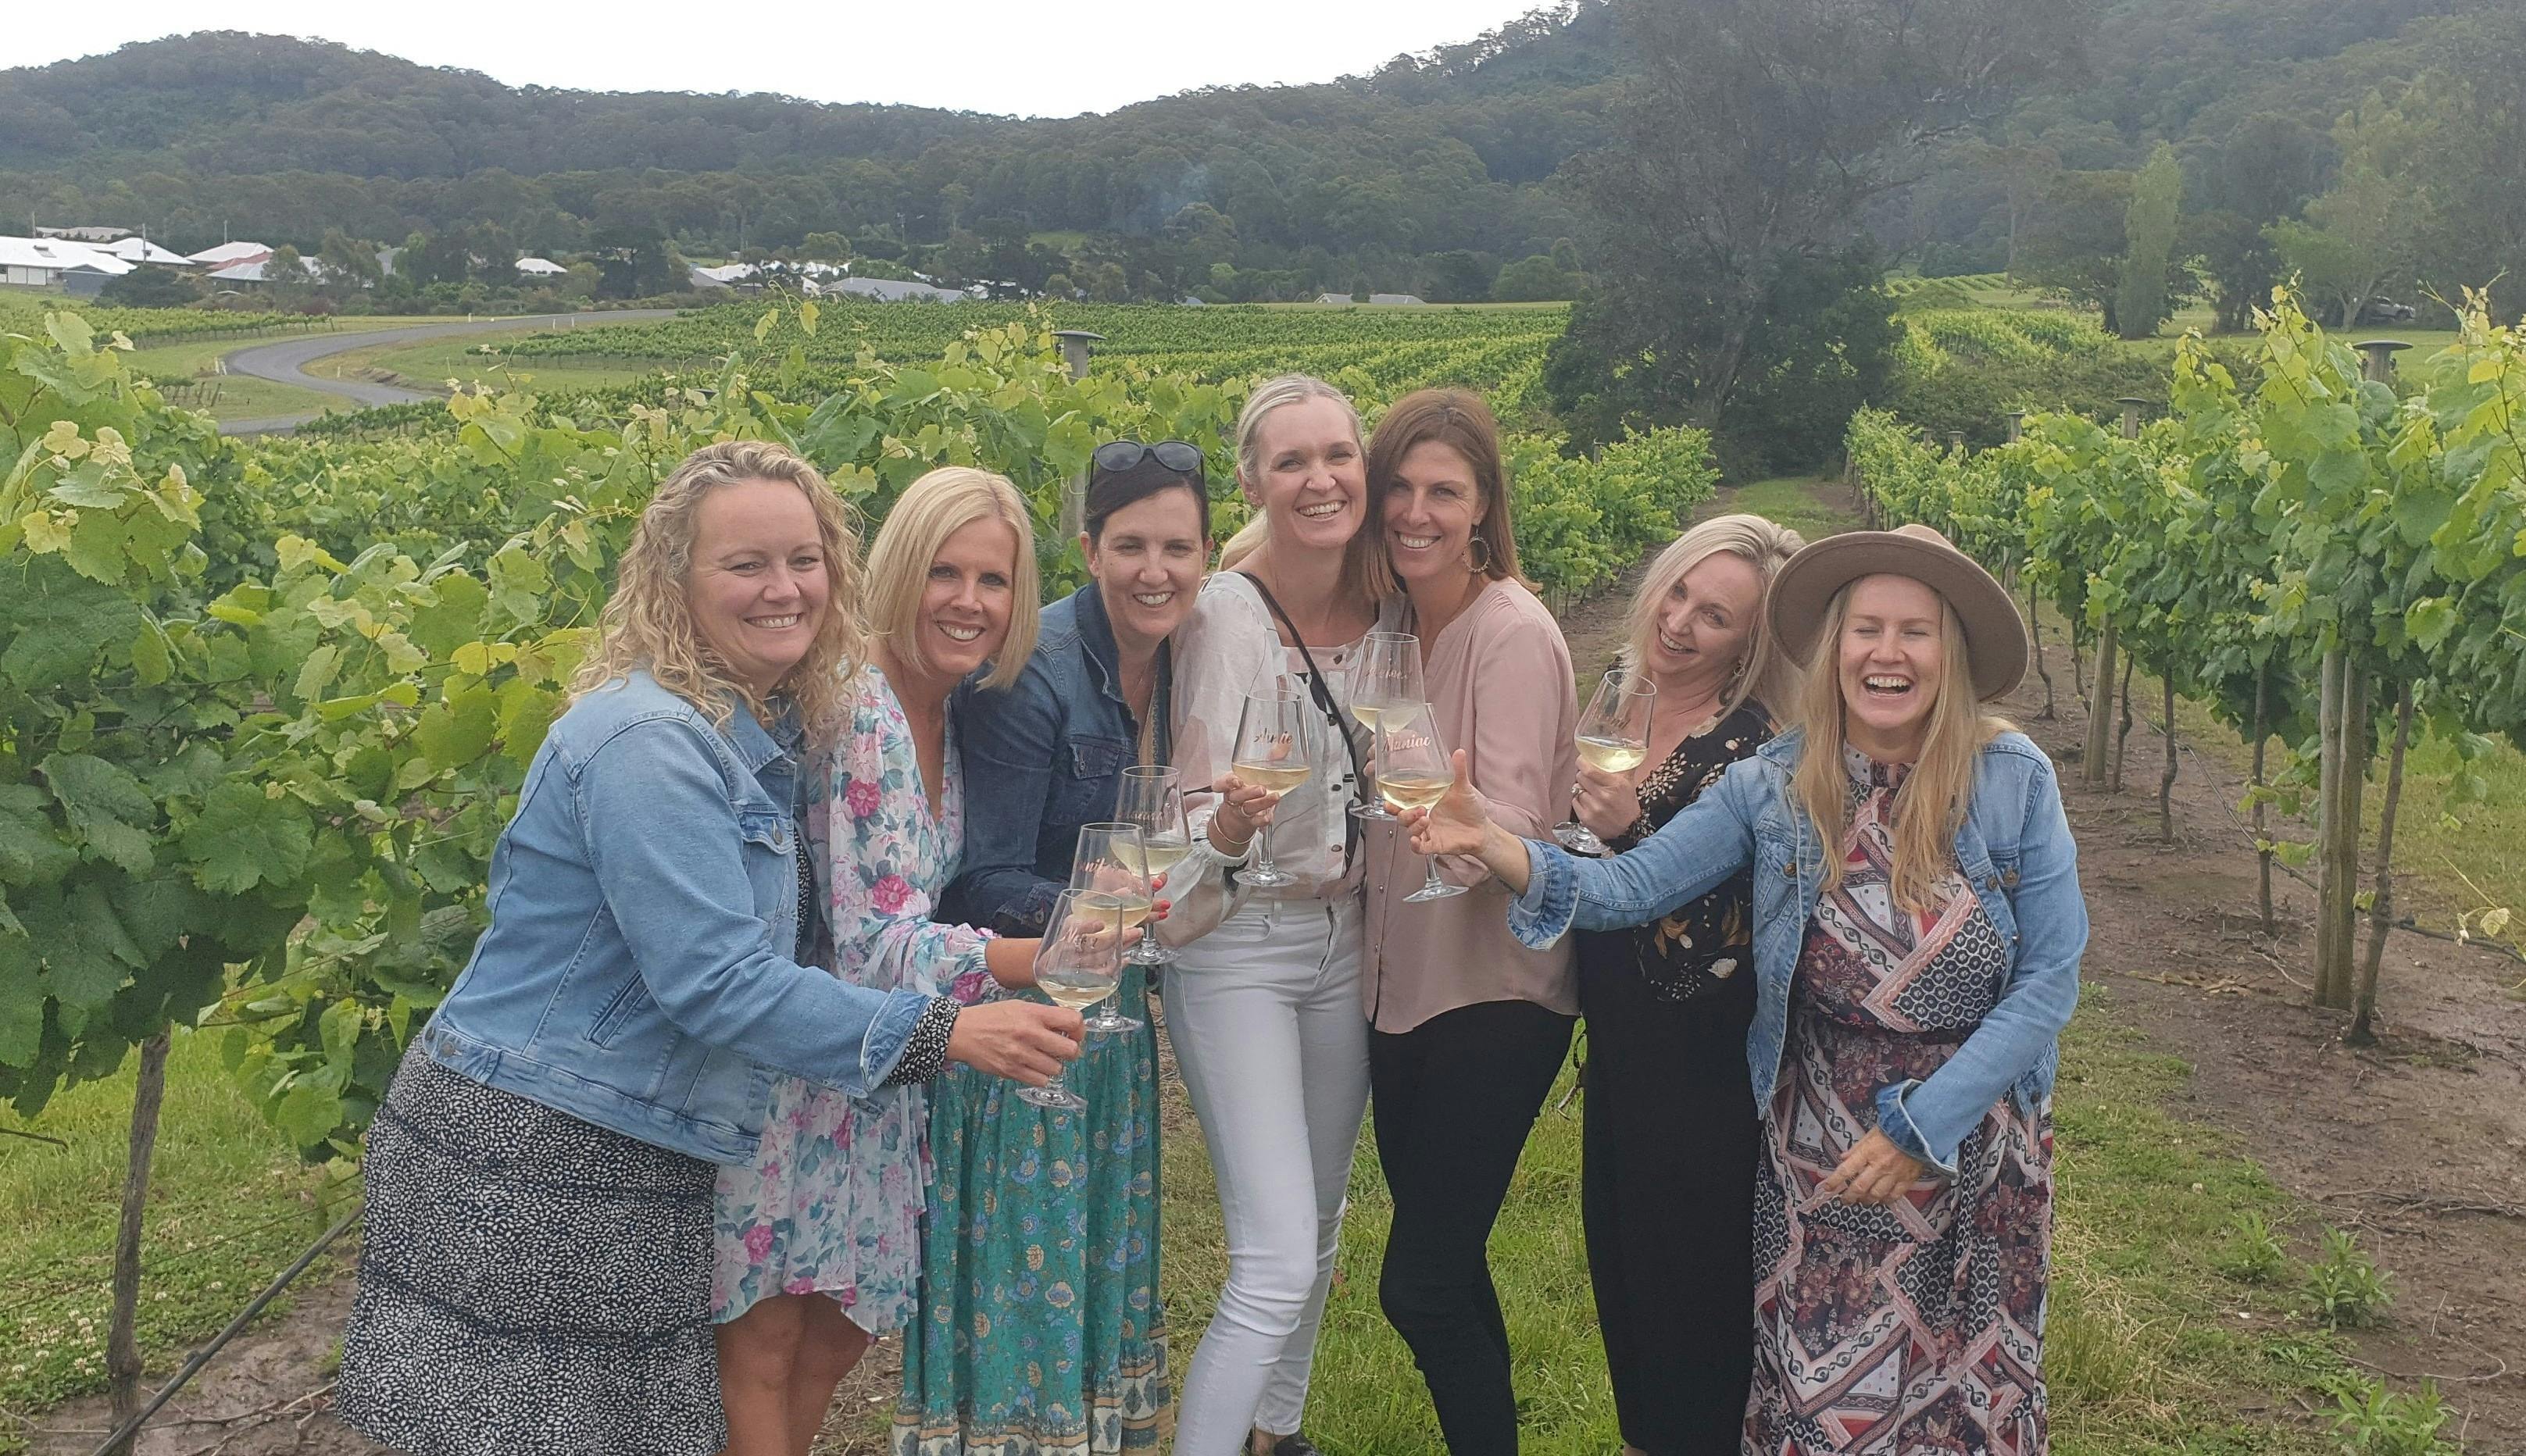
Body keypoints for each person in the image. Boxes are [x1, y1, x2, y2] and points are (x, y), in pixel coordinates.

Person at [335, 442, 1081, 1456]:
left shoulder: (748, 728)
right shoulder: (651, 742)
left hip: (624, 1149)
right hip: (529, 1154)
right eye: (746, 565)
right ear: (672, 581)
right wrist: (947, 1030)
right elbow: (719, 982)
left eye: (804, 560)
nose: (784, 589)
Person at [1404, 524, 2084, 1456]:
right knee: (1820, 1406)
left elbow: (2047, 978)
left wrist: (1923, 1124)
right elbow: (1630, 886)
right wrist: (1493, 843)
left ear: (1949, 653)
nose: (1886, 653)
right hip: (1820, 1154)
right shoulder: (1775, 783)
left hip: (1969, 1153)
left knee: (1961, 1410)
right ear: (1833, 646)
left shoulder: (2012, 782)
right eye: (1865, 629)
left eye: (1914, 632)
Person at [709, 465, 1060, 1456]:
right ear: (898, 573)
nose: (968, 601)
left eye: (993, 581)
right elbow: (873, 946)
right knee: (769, 1344)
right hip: (799, 1067)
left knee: (830, 1341)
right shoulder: (865, 706)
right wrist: (1047, 954)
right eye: (943, 572)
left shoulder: (953, 711)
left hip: (878, 1074)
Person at [902, 444, 1222, 1452]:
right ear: (1088, 550)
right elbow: (978, 876)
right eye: (1129, 545)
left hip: (1110, 1005)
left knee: (1093, 1262)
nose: (1153, 569)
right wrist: (1100, 904)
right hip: (1026, 1013)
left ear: (1208, 554)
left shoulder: (1187, 651)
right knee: (1025, 1275)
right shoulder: (1028, 673)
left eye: (1177, 546)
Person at [1167, 375, 1397, 1456]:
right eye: (1292, 462)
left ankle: (1276, 1435)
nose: (1320, 480)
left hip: (1346, 937)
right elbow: (1193, 808)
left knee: (1319, 1221)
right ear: (1253, 480)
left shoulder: (1390, 597)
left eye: (1337, 456)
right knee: (1270, 1256)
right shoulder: (1223, 614)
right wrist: (1232, 823)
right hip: (1242, 942)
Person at [1353, 388, 1577, 1456]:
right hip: (1401, 993)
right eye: (1394, 486)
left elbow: (1527, 822)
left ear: (1484, 505)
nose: (1415, 510)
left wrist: (1470, 828)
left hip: (1491, 999)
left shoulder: (1511, 632)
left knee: (1421, 1284)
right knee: (1450, 1264)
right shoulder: (1393, 625)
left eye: (1443, 489)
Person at [1564, 514, 1803, 1456]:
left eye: (1713, 616)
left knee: (1685, 1298)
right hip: (1616, 1050)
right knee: (1619, 1278)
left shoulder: (1750, 750)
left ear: (1749, 643)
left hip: (1695, 1068)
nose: (1678, 623)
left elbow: (1709, 942)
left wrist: (1629, 834)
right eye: (1676, 593)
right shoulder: (1618, 697)